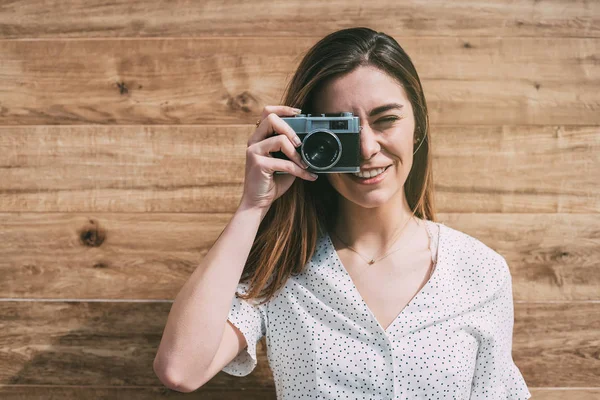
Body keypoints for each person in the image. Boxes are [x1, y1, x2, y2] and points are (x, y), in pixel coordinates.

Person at [153, 27, 532, 399]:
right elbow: (180, 369)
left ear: (418, 126)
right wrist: (253, 206)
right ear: (307, 139)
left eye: (386, 120)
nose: (367, 148)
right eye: (343, 131)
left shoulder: (479, 270)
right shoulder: (280, 270)